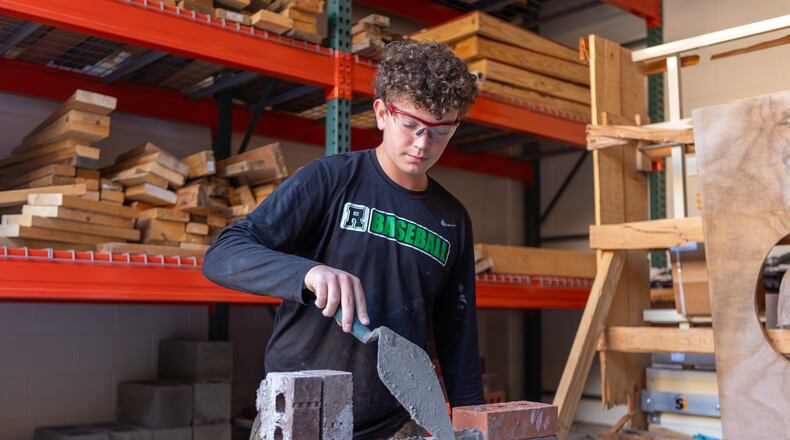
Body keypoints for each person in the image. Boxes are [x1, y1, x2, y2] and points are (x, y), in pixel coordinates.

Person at [202, 39, 484, 440]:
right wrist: (308, 273)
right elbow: (223, 254)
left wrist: (473, 423)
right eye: (412, 126)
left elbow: (459, 337)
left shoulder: (452, 219)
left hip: (395, 424)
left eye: (440, 132)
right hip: (300, 416)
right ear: (383, 113)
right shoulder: (330, 181)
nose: (423, 144)